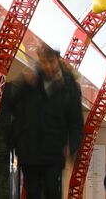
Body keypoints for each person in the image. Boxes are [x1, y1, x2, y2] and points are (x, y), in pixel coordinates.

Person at [7, 45, 84, 199]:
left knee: (52, 190)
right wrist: (22, 83)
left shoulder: (70, 88)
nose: (47, 66)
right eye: (43, 62)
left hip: (53, 150)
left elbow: (76, 122)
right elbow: (11, 105)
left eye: (51, 61)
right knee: (32, 192)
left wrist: (72, 145)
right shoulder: (30, 82)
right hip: (29, 149)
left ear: (58, 60)